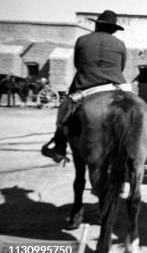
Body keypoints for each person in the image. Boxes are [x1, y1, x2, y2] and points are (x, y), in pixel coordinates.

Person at [42, 10, 127, 163]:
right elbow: (121, 68)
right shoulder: (120, 44)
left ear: (97, 25)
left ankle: (59, 147)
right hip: (115, 86)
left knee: (64, 109)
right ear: (114, 29)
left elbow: (77, 64)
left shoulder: (82, 40)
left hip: (86, 86)